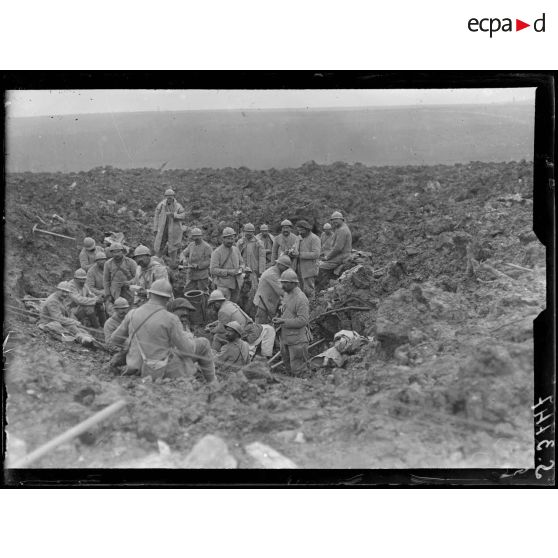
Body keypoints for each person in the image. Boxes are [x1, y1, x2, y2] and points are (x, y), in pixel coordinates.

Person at [110, 279, 200, 379]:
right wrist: (188, 335)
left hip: (134, 367)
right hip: (158, 371)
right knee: (203, 343)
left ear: (150, 294)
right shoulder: (171, 319)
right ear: (168, 299)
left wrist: (131, 344)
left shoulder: (132, 313)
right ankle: (212, 383)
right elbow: (188, 350)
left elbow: (114, 340)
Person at [166, 297, 216, 383]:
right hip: (170, 362)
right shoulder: (170, 322)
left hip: (174, 358)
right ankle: (213, 383)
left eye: (187, 313)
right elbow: (186, 348)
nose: (186, 314)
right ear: (172, 311)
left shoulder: (182, 323)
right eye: (183, 311)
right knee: (204, 343)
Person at [272, 269, 310, 376]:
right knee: (288, 369)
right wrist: (278, 318)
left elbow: (303, 320)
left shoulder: (301, 299)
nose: (282, 285)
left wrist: (283, 321)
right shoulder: (287, 294)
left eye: (286, 283)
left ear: (294, 283)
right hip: (286, 339)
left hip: (297, 342)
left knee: (299, 371)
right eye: (282, 282)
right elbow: (286, 311)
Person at [317, 211, 353, 289]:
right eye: (332, 220)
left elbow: (338, 248)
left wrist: (327, 257)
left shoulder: (342, 230)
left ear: (341, 219)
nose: (333, 222)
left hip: (342, 256)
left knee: (320, 266)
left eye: (336, 219)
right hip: (340, 254)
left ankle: (321, 287)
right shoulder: (339, 228)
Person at [252, 254, 291, 324]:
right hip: (263, 304)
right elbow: (281, 291)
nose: (287, 269)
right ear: (279, 264)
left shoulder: (277, 272)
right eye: (286, 267)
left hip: (268, 303)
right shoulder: (272, 274)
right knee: (260, 326)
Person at [153, 188, 186, 268]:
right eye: (167, 197)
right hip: (163, 229)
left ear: (173, 196)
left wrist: (174, 215)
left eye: (171, 197)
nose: (169, 198)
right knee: (160, 244)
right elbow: (156, 217)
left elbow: (183, 215)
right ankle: (157, 261)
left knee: (173, 246)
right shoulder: (161, 205)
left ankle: (173, 263)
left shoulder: (178, 206)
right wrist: (155, 228)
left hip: (174, 230)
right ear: (165, 197)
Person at [210, 227, 245, 303]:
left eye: (232, 238)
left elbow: (242, 262)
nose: (230, 241)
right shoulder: (217, 252)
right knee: (224, 307)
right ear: (223, 239)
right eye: (228, 238)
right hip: (223, 286)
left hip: (237, 284)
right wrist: (229, 272)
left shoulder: (236, 249)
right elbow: (212, 270)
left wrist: (241, 269)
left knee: (234, 305)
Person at [103, 242, 137, 311]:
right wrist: (108, 294)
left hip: (129, 291)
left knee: (130, 310)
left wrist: (130, 282)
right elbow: (106, 280)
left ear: (122, 251)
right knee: (117, 311)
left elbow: (138, 277)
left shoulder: (131, 262)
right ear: (111, 253)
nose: (116, 254)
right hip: (115, 292)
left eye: (118, 251)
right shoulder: (108, 264)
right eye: (114, 252)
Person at [180, 227, 213, 292]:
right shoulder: (191, 245)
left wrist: (199, 265)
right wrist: (183, 260)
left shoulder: (207, 247)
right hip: (191, 274)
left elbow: (210, 261)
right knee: (187, 291)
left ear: (201, 236)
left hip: (202, 275)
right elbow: (183, 253)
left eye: (198, 237)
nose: (196, 239)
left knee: (203, 292)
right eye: (194, 237)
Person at [295, 220, 321, 300]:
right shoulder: (299, 238)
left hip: (309, 269)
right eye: (298, 230)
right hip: (299, 268)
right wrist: (292, 251)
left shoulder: (314, 238)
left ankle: (311, 306)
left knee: (309, 290)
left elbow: (316, 254)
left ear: (307, 229)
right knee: (300, 289)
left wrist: (299, 254)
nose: (300, 233)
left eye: (301, 230)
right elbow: (295, 247)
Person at [104, 297, 131, 371]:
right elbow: (109, 343)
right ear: (115, 309)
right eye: (121, 309)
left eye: (125, 308)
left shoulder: (130, 319)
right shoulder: (109, 323)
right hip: (120, 352)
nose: (123, 311)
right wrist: (123, 350)